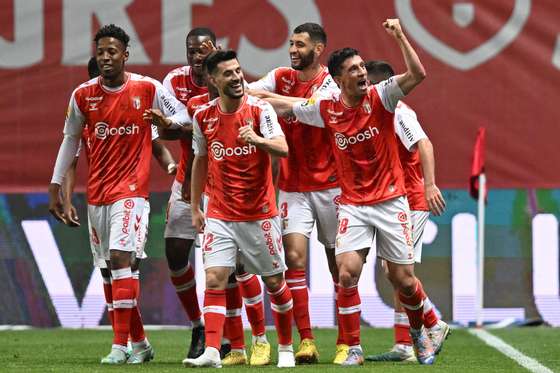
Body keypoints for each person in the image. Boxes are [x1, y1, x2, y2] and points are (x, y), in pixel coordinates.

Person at [265, 19, 442, 366]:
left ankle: (430, 325)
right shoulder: (327, 109)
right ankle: (354, 348)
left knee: (403, 281)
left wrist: (400, 36)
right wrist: (254, 95)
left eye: (362, 67)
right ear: (338, 78)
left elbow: (418, 74)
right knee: (346, 272)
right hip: (354, 206)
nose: (362, 73)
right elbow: (287, 105)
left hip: (392, 202)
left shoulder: (383, 96)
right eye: (353, 70)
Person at [48, 24, 190, 364]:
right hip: (97, 194)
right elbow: (70, 141)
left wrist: (167, 123)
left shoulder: (147, 87)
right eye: (101, 52)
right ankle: (139, 344)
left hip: (132, 193)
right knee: (110, 272)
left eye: (113, 51)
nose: (106, 57)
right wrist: (55, 186)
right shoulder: (83, 95)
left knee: (120, 261)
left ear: (125, 55)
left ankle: (119, 345)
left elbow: (184, 114)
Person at [183, 50, 294, 368]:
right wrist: (195, 207)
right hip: (219, 212)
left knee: (274, 283)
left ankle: (285, 348)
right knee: (216, 279)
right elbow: (200, 162)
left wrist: (258, 140)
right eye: (228, 74)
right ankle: (213, 351)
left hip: (259, 214)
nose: (236, 77)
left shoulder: (260, 110)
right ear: (213, 80)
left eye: (238, 71)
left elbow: (283, 148)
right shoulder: (203, 116)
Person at [248, 23, 345, 365]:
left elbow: (315, 112)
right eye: (291, 43)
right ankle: (306, 340)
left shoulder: (332, 84)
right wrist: (274, 99)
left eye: (300, 45)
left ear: (318, 49)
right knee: (295, 259)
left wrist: (275, 102)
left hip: (331, 184)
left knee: (340, 266)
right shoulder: (280, 75)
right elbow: (248, 93)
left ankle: (347, 341)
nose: (292, 49)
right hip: (292, 187)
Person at [363, 60, 450, 362]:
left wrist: (430, 185)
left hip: (411, 198)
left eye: (367, 84)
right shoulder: (374, 114)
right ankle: (404, 343)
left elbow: (424, 144)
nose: (363, 88)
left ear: (381, 86)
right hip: (394, 199)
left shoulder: (399, 112)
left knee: (400, 272)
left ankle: (432, 325)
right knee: (395, 272)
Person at [159, 27, 216, 359]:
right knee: (176, 254)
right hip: (187, 179)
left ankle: (232, 338)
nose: (196, 56)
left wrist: (179, 123)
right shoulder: (174, 81)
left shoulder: (227, 76)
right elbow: (165, 129)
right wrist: (178, 124)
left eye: (202, 50)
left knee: (230, 266)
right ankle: (198, 325)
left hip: (224, 183)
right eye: (191, 50)